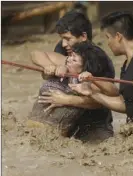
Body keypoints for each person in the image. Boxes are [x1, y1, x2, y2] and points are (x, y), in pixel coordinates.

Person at [29, 11, 117, 142]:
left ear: (83, 37)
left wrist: (66, 100)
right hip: (68, 122)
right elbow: (35, 54)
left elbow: (105, 100)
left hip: (94, 124)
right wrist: (50, 67)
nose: (64, 44)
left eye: (68, 39)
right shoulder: (66, 49)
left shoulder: (98, 59)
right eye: (62, 38)